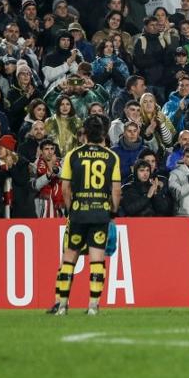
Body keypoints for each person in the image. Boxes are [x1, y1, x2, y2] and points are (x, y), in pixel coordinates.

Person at [47, 116, 122, 316]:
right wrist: (113, 212)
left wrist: (72, 209)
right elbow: (116, 190)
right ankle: (93, 306)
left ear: (85, 133)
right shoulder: (111, 156)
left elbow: (65, 189)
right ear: (103, 134)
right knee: (97, 259)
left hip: (79, 211)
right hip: (100, 212)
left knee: (69, 257)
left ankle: (61, 305)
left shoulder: (73, 155)